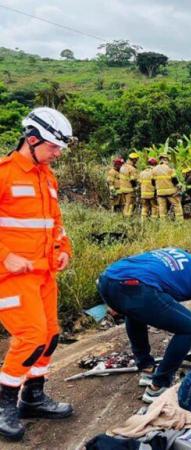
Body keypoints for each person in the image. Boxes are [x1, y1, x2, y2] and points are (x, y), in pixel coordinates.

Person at [0, 107, 74, 441]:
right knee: (30, 337)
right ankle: (3, 405)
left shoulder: (47, 176)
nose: (57, 153)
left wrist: (63, 251)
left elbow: (55, 224)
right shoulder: (4, 174)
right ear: (32, 140)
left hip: (44, 274)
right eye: (53, 147)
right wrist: (6, 256)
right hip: (10, 277)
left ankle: (32, 396)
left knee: (50, 336)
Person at [97, 247, 191, 403]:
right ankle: (159, 385)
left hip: (107, 279)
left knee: (136, 311)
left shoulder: (179, 253)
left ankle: (146, 369)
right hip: (136, 286)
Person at [152, 154, 183, 220]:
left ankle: (163, 222)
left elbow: (153, 182)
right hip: (171, 192)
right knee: (177, 205)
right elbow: (174, 179)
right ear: (166, 159)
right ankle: (180, 221)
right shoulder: (170, 168)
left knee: (162, 207)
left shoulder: (154, 169)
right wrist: (179, 186)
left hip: (160, 192)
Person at [118, 153, 140, 217]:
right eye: (136, 159)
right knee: (129, 203)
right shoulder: (132, 169)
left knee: (124, 203)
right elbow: (133, 179)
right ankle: (127, 217)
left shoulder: (123, 166)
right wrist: (136, 186)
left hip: (122, 188)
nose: (137, 161)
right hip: (129, 189)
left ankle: (124, 215)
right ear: (134, 160)